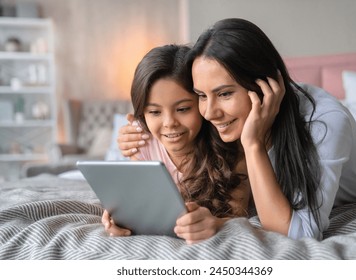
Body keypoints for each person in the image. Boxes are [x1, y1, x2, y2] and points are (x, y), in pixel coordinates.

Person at [117, 18, 356, 240]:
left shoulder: (324, 123)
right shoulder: (220, 122)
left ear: (264, 86)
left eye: (224, 94)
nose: (210, 113)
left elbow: (300, 232)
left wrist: (253, 143)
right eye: (201, 95)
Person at [102, 44, 250, 244]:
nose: (169, 123)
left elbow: (235, 215)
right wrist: (120, 216)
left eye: (182, 109)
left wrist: (216, 223)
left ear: (201, 102)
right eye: (155, 112)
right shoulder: (142, 143)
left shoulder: (231, 145)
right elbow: (142, 204)